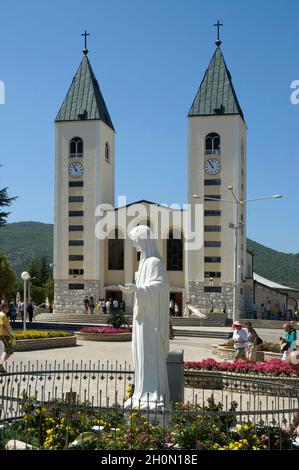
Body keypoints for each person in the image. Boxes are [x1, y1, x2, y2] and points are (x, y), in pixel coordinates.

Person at [119, 225, 170, 411]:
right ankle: (140, 392)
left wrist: (138, 290)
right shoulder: (143, 263)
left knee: (149, 356)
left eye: (135, 241)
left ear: (143, 240)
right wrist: (136, 289)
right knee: (140, 356)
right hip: (141, 320)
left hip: (151, 323)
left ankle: (153, 395)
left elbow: (162, 288)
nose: (134, 245)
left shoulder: (154, 262)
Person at [0, 303, 14, 373]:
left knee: (3, 351)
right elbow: (3, 325)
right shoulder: (3, 315)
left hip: (2, 335)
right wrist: (9, 334)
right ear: (3, 308)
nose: (8, 309)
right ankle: (0, 364)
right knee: (9, 351)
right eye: (7, 307)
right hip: (4, 335)